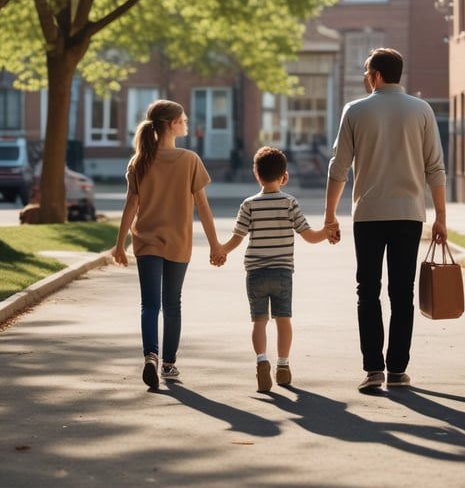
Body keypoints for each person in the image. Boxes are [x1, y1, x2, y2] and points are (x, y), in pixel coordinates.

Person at [324, 48, 447, 392]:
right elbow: (435, 167)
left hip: (369, 214)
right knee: (402, 292)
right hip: (409, 214)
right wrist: (440, 217)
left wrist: (330, 215)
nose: (366, 78)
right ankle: (397, 369)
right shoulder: (422, 110)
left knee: (368, 290)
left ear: (375, 75)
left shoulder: (355, 111)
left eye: (367, 73)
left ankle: (373, 369)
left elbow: (339, 167)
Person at [112, 100, 223, 389]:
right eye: (183, 119)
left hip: (146, 241)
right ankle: (169, 365)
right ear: (171, 124)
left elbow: (131, 205)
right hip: (178, 243)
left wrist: (119, 244)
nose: (186, 122)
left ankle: (151, 355)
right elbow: (203, 207)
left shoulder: (139, 160)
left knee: (149, 305)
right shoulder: (189, 160)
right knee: (172, 304)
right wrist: (215, 245)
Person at [216, 146, 333, 392]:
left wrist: (221, 251)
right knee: (283, 320)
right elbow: (309, 236)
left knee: (258, 322)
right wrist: (327, 233)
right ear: (285, 176)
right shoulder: (290, 203)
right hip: (282, 272)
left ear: (256, 175)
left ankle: (261, 361)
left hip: (256, 273)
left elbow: (237, 238)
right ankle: (283, 365)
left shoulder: (249, 204)